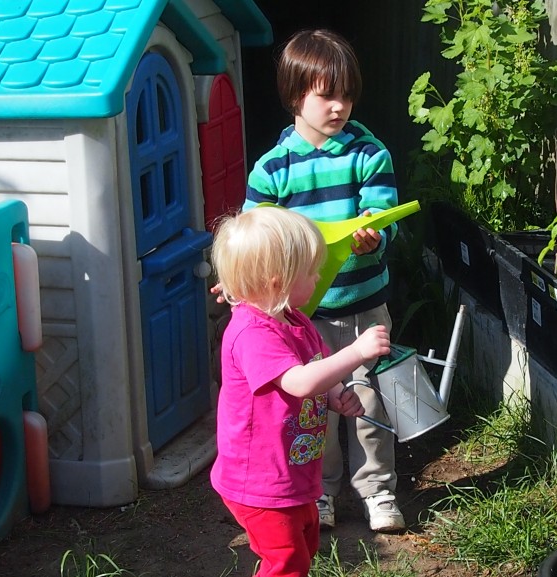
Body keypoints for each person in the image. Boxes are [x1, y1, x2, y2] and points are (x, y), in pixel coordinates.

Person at [243, 28, 406, 533]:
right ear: (296, 95)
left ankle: (377, 490)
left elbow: (385, 216)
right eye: (327, 95)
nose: (340, 107)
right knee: (315, 406)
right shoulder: (274, 169)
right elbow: (255, 239)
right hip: (303, 313)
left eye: (348, 95)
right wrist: (241, 285)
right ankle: (320, 490)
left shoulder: (368, 153)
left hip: (363, 305)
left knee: (369, 399)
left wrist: (374, 235)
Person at [209, 206, 390, 577]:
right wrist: (355, 353)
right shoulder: (253, 334)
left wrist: (336, 391)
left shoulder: (293, 319)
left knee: (303, 547)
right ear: (279, 281)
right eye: (312, 271)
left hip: (291, 474)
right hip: (259, 481)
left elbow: (313, 363)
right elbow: (299, 382)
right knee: (286, 560)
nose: (319, 276)